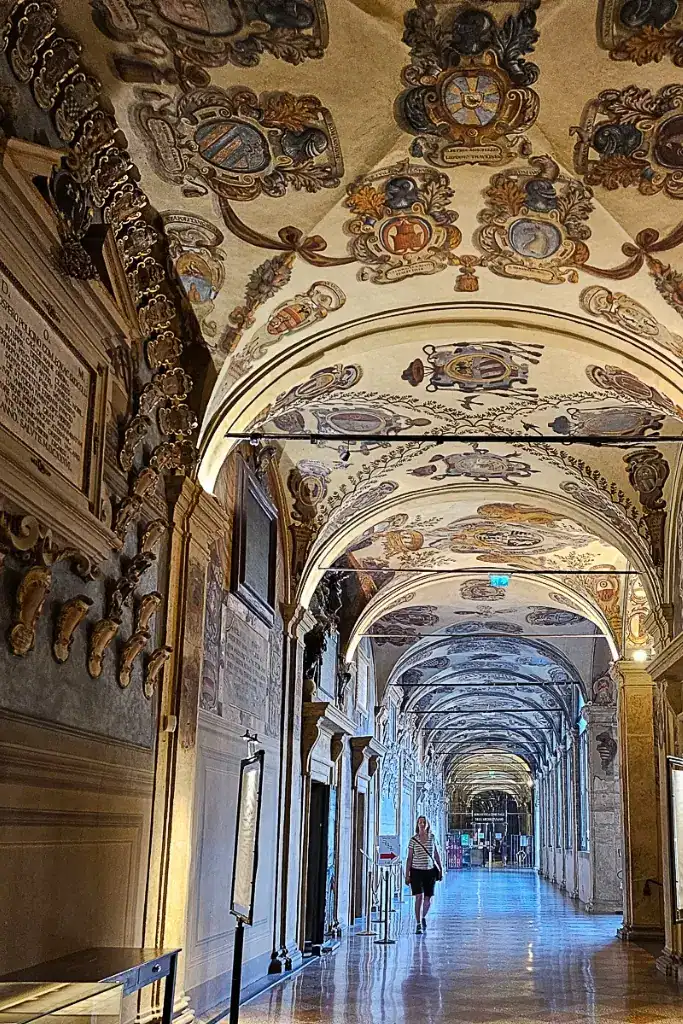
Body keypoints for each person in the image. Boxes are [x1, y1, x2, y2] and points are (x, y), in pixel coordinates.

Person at [405, 816, 443, 934]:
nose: (421, 824)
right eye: (419, 822)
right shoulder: (413, 840)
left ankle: (422, 917)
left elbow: (436, 854)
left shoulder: (432, 838)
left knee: (428, 898)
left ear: (427, 824)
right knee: (419, 897)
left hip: (430, 871)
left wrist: (440, 868)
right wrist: (407, 874)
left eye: (424, 822)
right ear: (417, 824)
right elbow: (409, 858)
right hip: (416, 871)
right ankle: (418, 923)